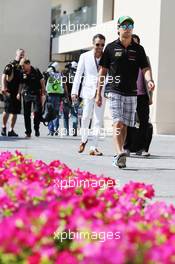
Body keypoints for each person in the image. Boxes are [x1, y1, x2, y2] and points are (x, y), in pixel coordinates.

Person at [96, 16, 155, 168]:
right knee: (118, 122)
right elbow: (102, 72)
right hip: (114, 90)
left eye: (130, 25)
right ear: (118, 28)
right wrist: (98, 93)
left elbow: (145, 68)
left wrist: (149, 80)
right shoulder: (110, 48)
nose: (128, 27)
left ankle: (119, 154)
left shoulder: (138, 49)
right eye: (124, 25)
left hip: (131, 92)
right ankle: (120, 152)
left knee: (125, 125)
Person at [72, 34, 106, 156]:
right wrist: (74, 91)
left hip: (101, 91)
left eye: (102, 45)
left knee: (98, 120)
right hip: (87, 91)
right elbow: (78, 74)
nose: (100, 47)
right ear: (93, 44)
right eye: (97, 44)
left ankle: (94, 147)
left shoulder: (106, 57)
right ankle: (83, 139)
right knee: (85, 117)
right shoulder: (84, 56)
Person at [124, 34, 154, 157]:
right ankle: (126, 147)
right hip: (129, 94)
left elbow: (149, 76)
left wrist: (150, 96)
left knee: (144, 122)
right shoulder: (125, 57)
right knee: (129, 122)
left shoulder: (145, 58)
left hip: (142, 95)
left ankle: (142, 148)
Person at [1, 48, 25, 137]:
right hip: (9, 92)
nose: (22, 55)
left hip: (16, 93)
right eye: (20, 53)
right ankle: (3, 128)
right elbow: (3, 77)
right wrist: (4, 88)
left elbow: (21, 83)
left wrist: (19, 93)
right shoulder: (10, 65)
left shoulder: (22, 68)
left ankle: (11, 130)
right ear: (16, 54)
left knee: (15, 112)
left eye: (23, 54)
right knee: (7, 110)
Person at [20, 59, 46, 138]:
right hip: (26, 93)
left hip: (36, 93)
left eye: (23, 66)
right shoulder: (22, 72)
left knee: (37, 111)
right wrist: (19, 92)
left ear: (28, 64)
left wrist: (44, 90)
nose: (22, 67)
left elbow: (42, 81)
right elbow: (21, 83)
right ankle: (28, 132)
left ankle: (36, 128)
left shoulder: (36, 70)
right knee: (26, 114)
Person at [46, 62, 65, 136]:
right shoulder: (61, 75)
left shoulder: (50, 73)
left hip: (50, 95)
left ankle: (51, 130)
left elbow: (46, 73)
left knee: (50, 112)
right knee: (56, 113)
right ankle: (56, 129)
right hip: (58, 95)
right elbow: (63, 85)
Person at [63, 61, 79, 136]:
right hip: (76, 97)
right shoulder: (79, 75)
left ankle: (66, 132)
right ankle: (74, 131)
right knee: (74, 114)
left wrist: (65, 96)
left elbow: (64, 86)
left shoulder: (66, 75)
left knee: (65, 115)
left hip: (67, 97)